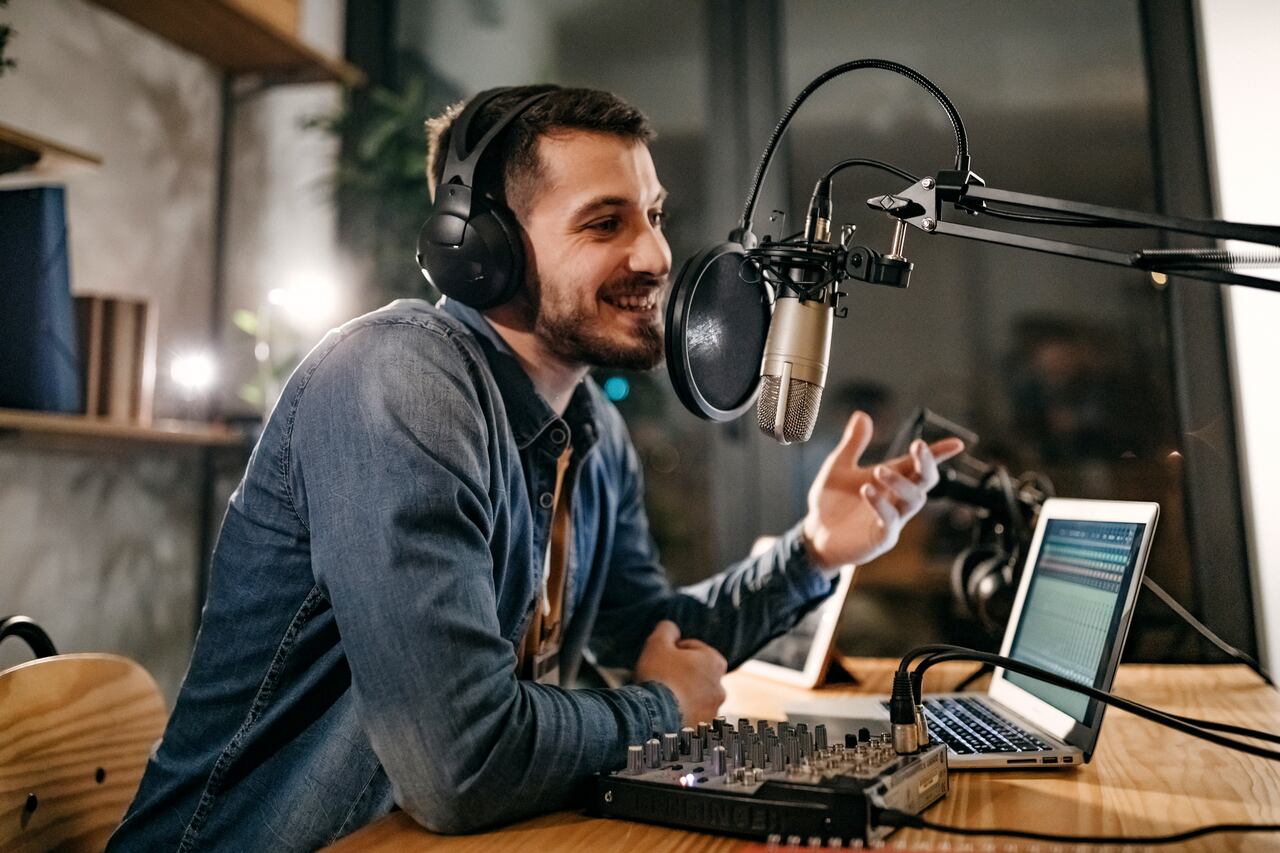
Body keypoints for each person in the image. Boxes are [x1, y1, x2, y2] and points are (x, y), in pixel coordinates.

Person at [108, 85, 962, 851]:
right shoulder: (395, 381)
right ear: (481, 250)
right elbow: (461, 761)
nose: (657, 256)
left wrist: (813, 551)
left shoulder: (589, 426)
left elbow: (653, 633)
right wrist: (662, 710)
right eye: (605, 222)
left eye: (655, 214)